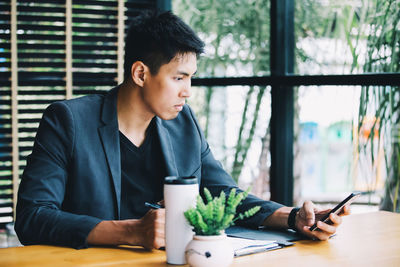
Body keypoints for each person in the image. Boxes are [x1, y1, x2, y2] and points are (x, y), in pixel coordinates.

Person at [15, 10, 350, 250]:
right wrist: (130, 232)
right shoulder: (68, 121)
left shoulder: (183, 123)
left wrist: (293, 219)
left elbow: (224, 195)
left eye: (190, 78)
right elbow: (32, 217)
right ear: (141, 74)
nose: (188, 91)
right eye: (179, 78)